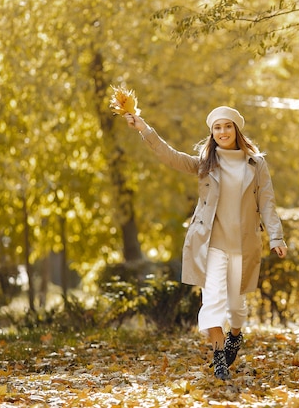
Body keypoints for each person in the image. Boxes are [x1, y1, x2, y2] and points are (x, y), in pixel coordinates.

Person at [123, 106, 288, 380]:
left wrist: (276, 236)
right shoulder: (205, 163)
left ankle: (235, 335)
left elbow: (267, 203)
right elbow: (171, 156)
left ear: (236, 130)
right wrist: (144, 129)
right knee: (212, 300)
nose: (222, 132)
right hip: (211, 243)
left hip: (244, 244)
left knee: (236, 308)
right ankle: (218, 355)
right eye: (217, 128)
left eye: (227, 126)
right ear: (212, 133)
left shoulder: (256, 164)